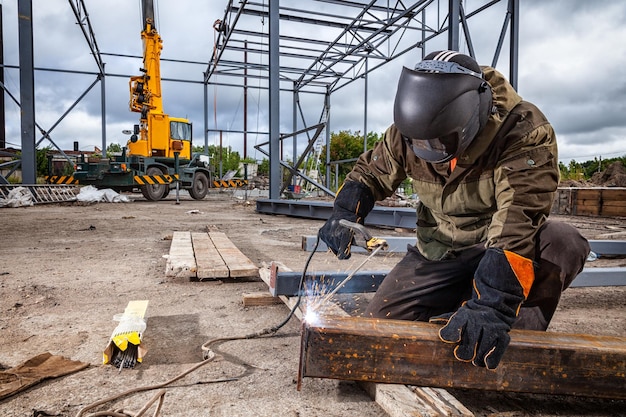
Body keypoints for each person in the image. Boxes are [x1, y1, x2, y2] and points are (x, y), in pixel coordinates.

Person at [318, 50, 590, 370]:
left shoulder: (523, 131)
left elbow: (518, 221)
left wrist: (492, 305)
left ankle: (510, 338)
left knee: (562, 241)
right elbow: (370, 173)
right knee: (384, 323)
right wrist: (345, 211)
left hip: (497, 244)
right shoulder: (411, 130)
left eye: (441, 146)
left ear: (469, 118)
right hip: (440, 248)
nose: (436, 158)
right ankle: (463, 299)